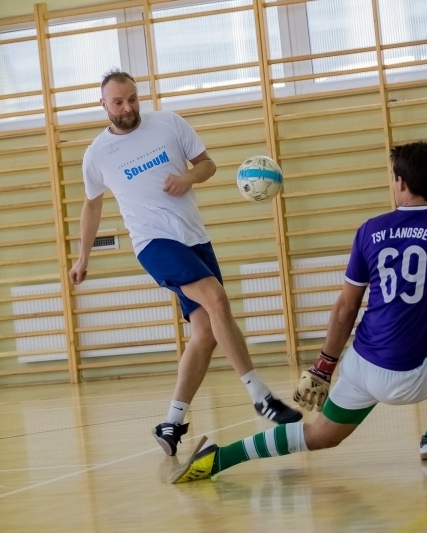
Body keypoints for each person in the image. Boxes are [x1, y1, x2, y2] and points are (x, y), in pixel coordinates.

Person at [169, 140, 427, 483]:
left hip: (360, 363)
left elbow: (345, 308)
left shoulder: (371, 230)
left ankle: (217, 459)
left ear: (399, 181)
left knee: (322, 435)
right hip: (406, 376)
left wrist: (324, 367)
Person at [69, 69, 301, 457]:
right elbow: (92, 205)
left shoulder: (168, 123)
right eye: (118, 102)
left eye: (132, 98)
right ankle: (260, 397)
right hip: (153, 243)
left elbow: (207, 165)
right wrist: (83, 256)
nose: (128, 107)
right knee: (217, 299)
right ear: (103, 105)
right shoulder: (97, 155)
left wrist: (189, 178)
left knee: (206, 334)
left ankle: (171, 423)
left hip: (194, 238)